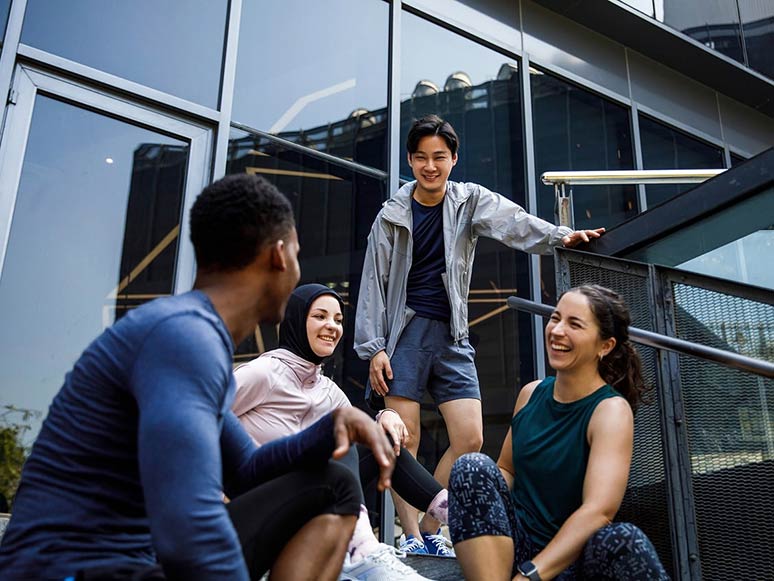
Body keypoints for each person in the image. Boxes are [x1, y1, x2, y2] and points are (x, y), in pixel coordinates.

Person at [0, 174, 395, 581]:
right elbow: (190, 526)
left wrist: (331, 427)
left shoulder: (189, 335)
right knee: (327, 490)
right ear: (278, 255)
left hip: (126, 560)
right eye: (297, 254)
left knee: (334, 486)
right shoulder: (182, 337)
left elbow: (246, 471)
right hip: (65, 567)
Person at [354, 114, 604, 554]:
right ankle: (411, 539)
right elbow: (373, 283)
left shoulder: (468, 201)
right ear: (410, 160)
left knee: (470, 439)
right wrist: (374, 348)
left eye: (439, 157)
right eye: (421, 158)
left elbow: (514, 222)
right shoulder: (390, 216)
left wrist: (561, 237)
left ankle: (431, 525)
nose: (430, 166)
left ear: (453, 159)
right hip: (403, 335)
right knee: (403, 439)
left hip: (453, 334)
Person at [448, 285, 669, 580]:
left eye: (574, 324)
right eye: (555, 318)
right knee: (471, 466)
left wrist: (530, 576)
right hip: (515, 546)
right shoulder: (531, 393)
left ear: (605, 346)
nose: (557, 331)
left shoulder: (610, 411)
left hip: (570, 563)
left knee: (623, 539)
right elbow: (507, 469)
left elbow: (599, 511)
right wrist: (474, 503)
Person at [232, 284, 453, 581]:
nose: (332, 326)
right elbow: (205, 420)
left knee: (380, 439)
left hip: (314, 501)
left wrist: (386, 415)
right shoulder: (264, 373)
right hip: (264, 502)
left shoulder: (328, 390)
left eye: (337, 320)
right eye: (320, 316)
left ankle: (460, 518)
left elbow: (363, 434)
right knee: (343, 439)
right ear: (297, 320)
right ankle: (361, 550)